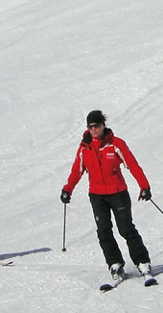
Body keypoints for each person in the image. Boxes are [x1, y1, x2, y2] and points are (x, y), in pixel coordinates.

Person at [60, 110, 153, 284]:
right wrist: (67, 189)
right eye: (90, 126)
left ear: (103, 125)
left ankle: (143, 263)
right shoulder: (85, 147)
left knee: (126, 229)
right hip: (97, 195)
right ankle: (115, 264)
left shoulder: (115, 144)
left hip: (117, 192)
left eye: (97, 125)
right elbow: (77, 170)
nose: (94, 129)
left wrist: (144, 186)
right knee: (103, 231)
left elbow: (132, 165)